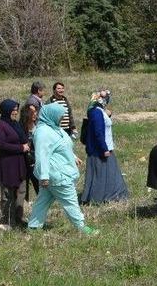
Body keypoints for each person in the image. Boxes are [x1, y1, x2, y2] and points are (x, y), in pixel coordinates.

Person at [27, 103, 97, 235]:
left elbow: (62, 145)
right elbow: (42, 156)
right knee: (70, 201)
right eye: (60, 116)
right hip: (56, 175)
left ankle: (34, 227)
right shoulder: (43, 133)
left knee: (43, 201)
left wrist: (73, 156)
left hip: (57, 173)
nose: (61, 118)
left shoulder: (54, 128)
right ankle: (81, 227)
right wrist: (44, 176)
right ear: (51, 115)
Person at [82, 90, 129, 204]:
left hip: (105, 147)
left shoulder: (98, 111)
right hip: (100, 149)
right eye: (105, 98)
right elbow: (98, 132)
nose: (107, 100)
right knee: (102, 174)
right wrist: (104, 148)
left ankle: (106, 196)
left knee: (108, 173)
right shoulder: (97, 113)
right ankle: (100, 197)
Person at [0, 100, 30, 228]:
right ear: (6, 110)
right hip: (7, 165)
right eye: (13, 109)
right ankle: (7, 221)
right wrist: (20, 148)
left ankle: (18, 219)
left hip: (20, 164)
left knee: (21, 191)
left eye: (16, 109)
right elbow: (1, 145)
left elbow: (24, 139)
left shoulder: (15, 124)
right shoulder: (0, 126)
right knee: (8, 195)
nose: (15, 112)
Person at [19, 103, 39, 196]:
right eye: (32, 112)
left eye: (35, 111)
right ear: (26, 114)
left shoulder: (39, 126)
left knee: (40, 189)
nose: (35, 114)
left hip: (36, 161)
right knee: (23, 189)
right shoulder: (20, 128)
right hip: (23, 161)